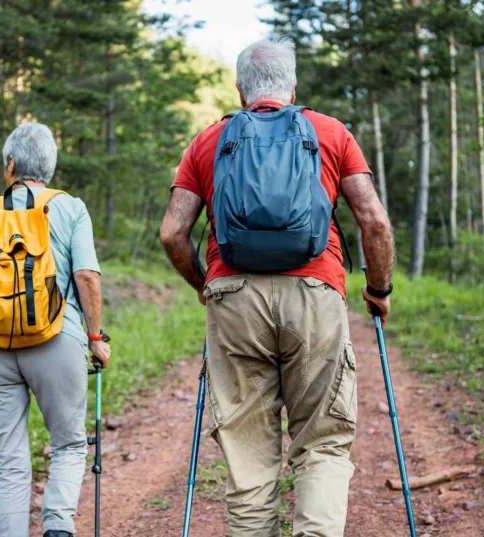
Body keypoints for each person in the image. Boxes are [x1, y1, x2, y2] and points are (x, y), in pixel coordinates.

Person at [159, 39, 394, 537]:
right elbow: (373, 222)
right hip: (315, 290)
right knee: (323, 440)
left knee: (248, 452)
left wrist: (205, 285)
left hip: (233, 297)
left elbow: (173, 233)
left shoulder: (209, 140)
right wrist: (379, 288)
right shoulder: (329, 131)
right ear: (292, 85)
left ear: (240, 88)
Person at [0, 122, 111, 537]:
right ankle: (57, 528)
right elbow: (88, 278)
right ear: (51, 166)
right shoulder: (69, 207)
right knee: (68, 443)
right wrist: (96, 339)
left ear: (10, 165)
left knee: (9, 458)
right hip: (56, 338)